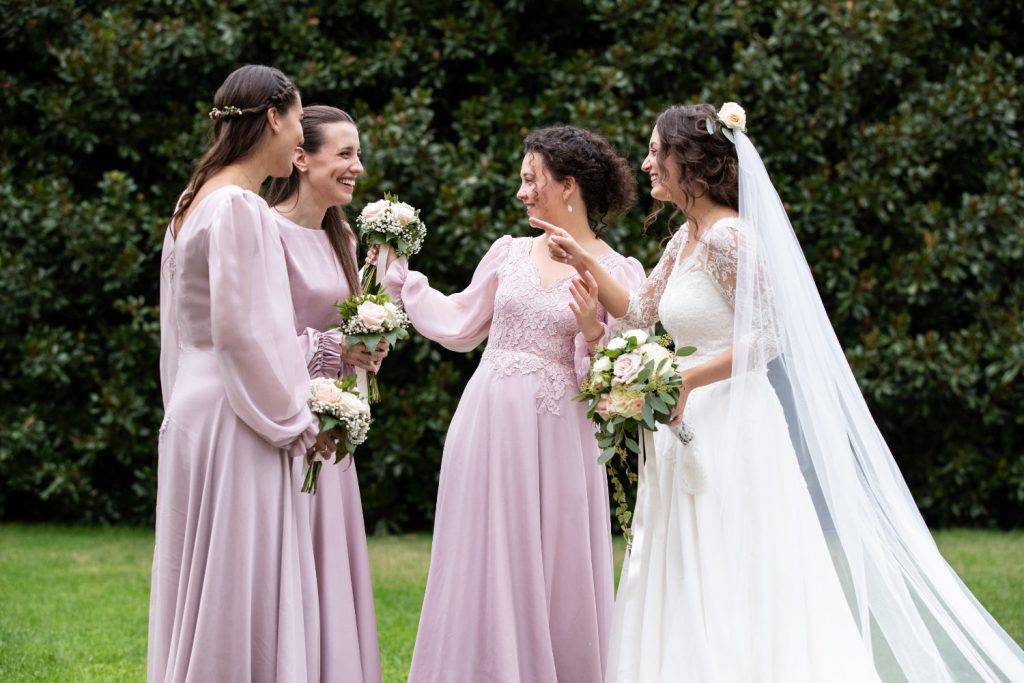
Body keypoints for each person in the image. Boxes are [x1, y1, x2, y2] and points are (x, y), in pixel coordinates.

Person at [534, 103, 1024, 682]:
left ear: (688, 161)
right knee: (687, 566)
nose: (646, 164)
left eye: (655, 152)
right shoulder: (686, 238)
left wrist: (685, 379)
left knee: (735, 562)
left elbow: (768, 335)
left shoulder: (728, 237)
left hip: (733, 425)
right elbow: (639, 313)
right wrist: (582, 258)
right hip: (682, 425)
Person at [374, 126, 645, 682]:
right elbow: (460, 321)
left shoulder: (617, 273)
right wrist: (400, 278)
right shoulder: (509, 252)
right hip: (488, 421)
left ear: (568, 186)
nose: (521, 192)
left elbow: (615, 386)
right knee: (478, 553)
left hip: (560, 435)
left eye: (531, 180)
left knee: (555, 558)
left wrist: (592, 328)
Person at [149, 65, 332, 682]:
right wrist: (294, 418)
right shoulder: (239, 206)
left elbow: (179, 329)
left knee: (203, 570)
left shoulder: (191, 202)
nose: (301, 139)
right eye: (299, 121)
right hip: (237, 410)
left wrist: (179, 401)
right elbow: (243, 331)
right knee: (239, 572)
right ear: (273, 118)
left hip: (196, 403)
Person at [265, 104, 384, 683]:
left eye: (357, 154)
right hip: (284, 425)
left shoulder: (344, 236)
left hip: (334, 430)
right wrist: (338, 346)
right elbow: (256, 343)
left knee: (330, 561)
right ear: (301, 158)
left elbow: (347, 327)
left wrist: (370, 345)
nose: (357, 167)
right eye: (345, 154)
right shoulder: (266, 232)